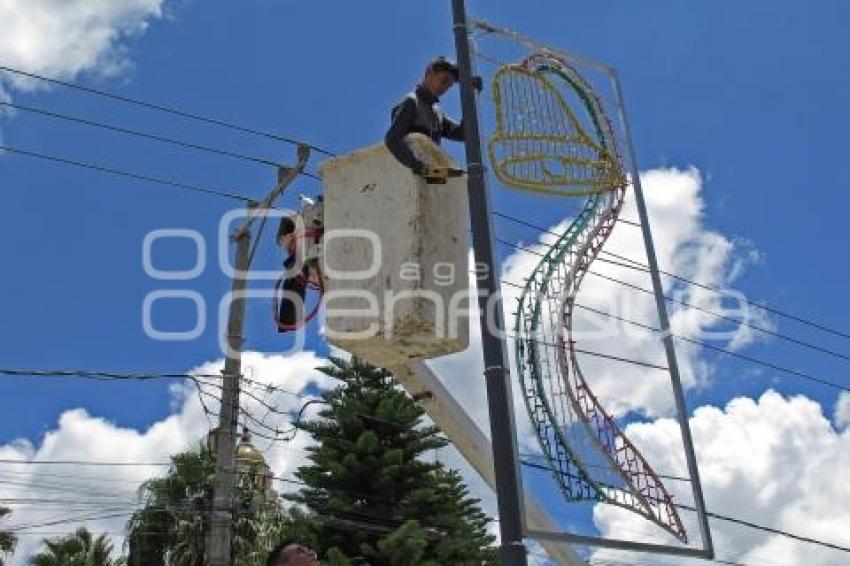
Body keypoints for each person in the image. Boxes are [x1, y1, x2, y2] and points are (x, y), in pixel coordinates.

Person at [385, 56, 466, 183]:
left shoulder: (436, 113)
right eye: (443, 80)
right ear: (429, 73)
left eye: (449, 86)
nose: (444, 88)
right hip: (412, 179)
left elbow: (463, 134)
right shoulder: (412, 102)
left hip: (429, 179)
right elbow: (392, 139)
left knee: (462, 179)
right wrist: (418, 167)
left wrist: (470, 94)